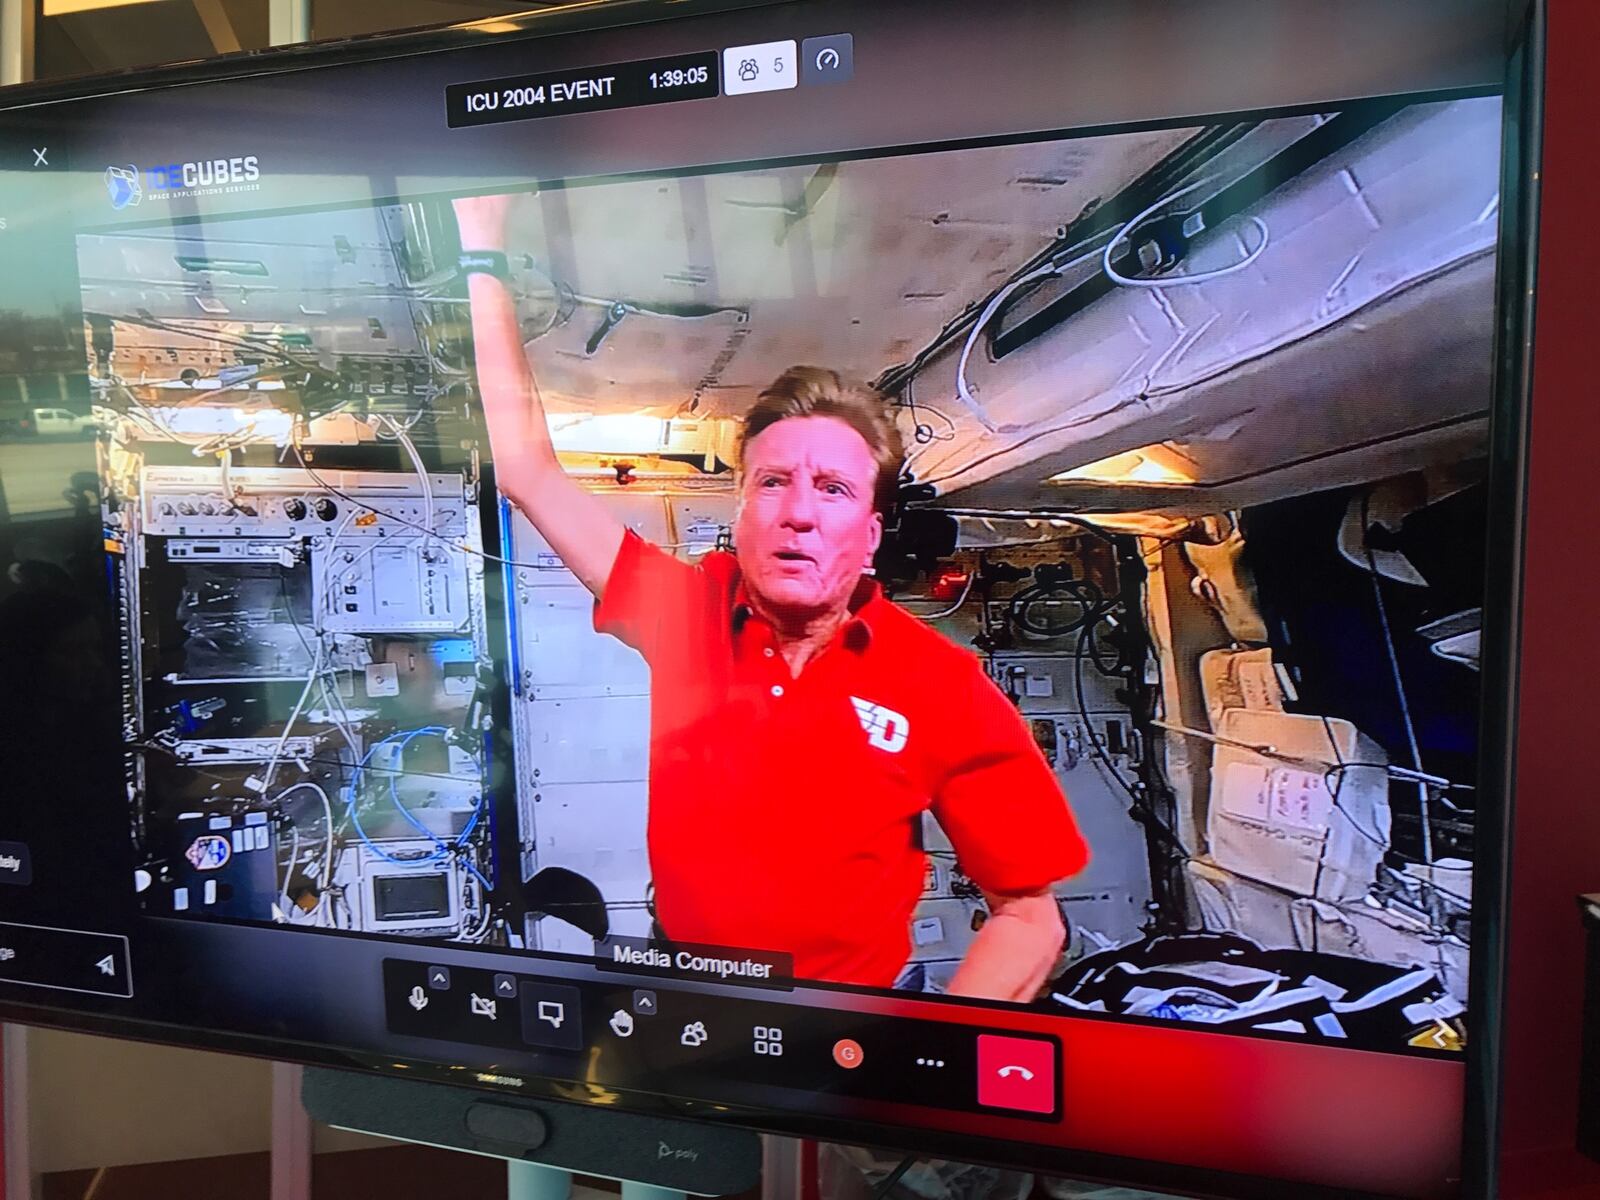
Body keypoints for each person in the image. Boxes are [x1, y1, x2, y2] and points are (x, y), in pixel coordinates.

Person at [454, 193, 1089, 1002]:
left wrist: (928, 1055)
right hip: (688, 1005)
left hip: (851, 1033)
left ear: (868, 533)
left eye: (831, 488)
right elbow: (527, 469)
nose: (797, 511)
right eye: (774, 482)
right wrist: (483, 245)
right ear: (741, 514)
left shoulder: (943, 688)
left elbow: (1031, 915)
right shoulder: (683, 616)